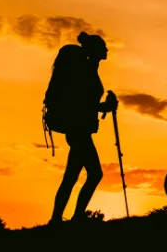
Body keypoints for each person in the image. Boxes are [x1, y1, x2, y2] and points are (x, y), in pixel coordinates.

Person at [48, 31, 116, 224]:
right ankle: (76, 218)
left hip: (79, 129)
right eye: (103, 47)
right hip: (78, 131)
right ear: (94, 50)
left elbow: (86, 101)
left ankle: (56, 220)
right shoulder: (84, 69)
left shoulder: (90, 68)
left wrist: (104, 105)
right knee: (95, 174)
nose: (106, 50)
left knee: (70, 178)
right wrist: (105, 106)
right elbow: (80, 102)